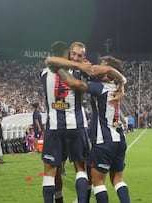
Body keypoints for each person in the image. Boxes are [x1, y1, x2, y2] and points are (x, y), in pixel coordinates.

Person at [57, 55, 130, 203]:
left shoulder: (100, 87)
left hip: (104, 140)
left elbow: (72, 82)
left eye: (101, 66)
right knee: (118, 180)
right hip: (119, 139)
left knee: (98, 183)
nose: (97, 69)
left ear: (108, 73)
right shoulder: (116, 86)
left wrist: (59, 67)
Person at [40, 41, 92, 203]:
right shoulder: (78, 73)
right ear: (67, 54)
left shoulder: (44, 74)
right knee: (80, 168)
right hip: (76, 126)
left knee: (50, 171)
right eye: (72, 55)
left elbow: (50, 62)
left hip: (54, 127)